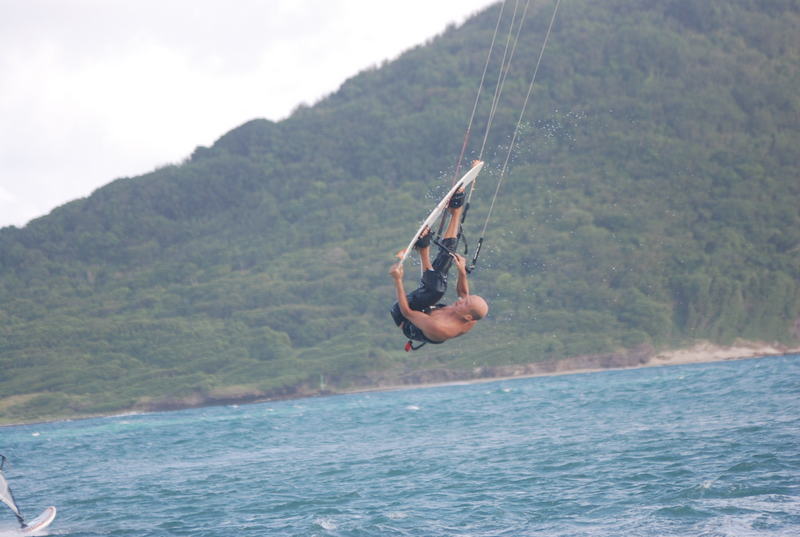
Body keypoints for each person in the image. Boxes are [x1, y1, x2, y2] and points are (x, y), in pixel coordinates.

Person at [390, 188, 489, 349]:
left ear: (469, 317)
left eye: (464, 304)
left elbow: (407, 312)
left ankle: (424, 250)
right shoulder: (470, 313)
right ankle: (455, 212)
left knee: (437, 290)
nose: (461, 301)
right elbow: (463, 294)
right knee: (448, 262)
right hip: (430, 309)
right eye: (465, 301)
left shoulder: (440, 327)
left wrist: (398, 280)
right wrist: (462, 271)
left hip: (405, 317)